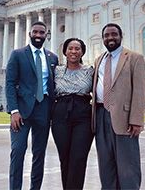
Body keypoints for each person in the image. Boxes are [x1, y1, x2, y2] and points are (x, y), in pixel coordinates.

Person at [91, 23, 145, 190]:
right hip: (101, 115)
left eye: (114, 34)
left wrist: (137, 120)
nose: (110, 38)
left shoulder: (134, 58)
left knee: (127, 165)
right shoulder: (99, 59)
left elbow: (140, 90)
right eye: (107, 35)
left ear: (121, 36)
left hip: (124, 118)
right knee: (105, 163)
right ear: (103, 39)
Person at [5, 21, 58, 190]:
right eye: (35, 32)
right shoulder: (18, 54)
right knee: (18, 151)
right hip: (21, 112)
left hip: (43, 110)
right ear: (30, 34)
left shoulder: (52, 57)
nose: (38, 35)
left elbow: (53, 85)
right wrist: (14, 110)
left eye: (42, 32)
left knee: (39, 154)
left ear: (46, 35)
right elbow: (10, 83)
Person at [51, 38, 94, 190]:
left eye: (77, 48)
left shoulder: (90, 71)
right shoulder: (56, 70)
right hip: (61, 113)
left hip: (83, 114)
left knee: (79, 157)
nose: (74, 51)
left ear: (82, 51)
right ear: (65, 51)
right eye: (70, 48)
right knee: (65, 157)